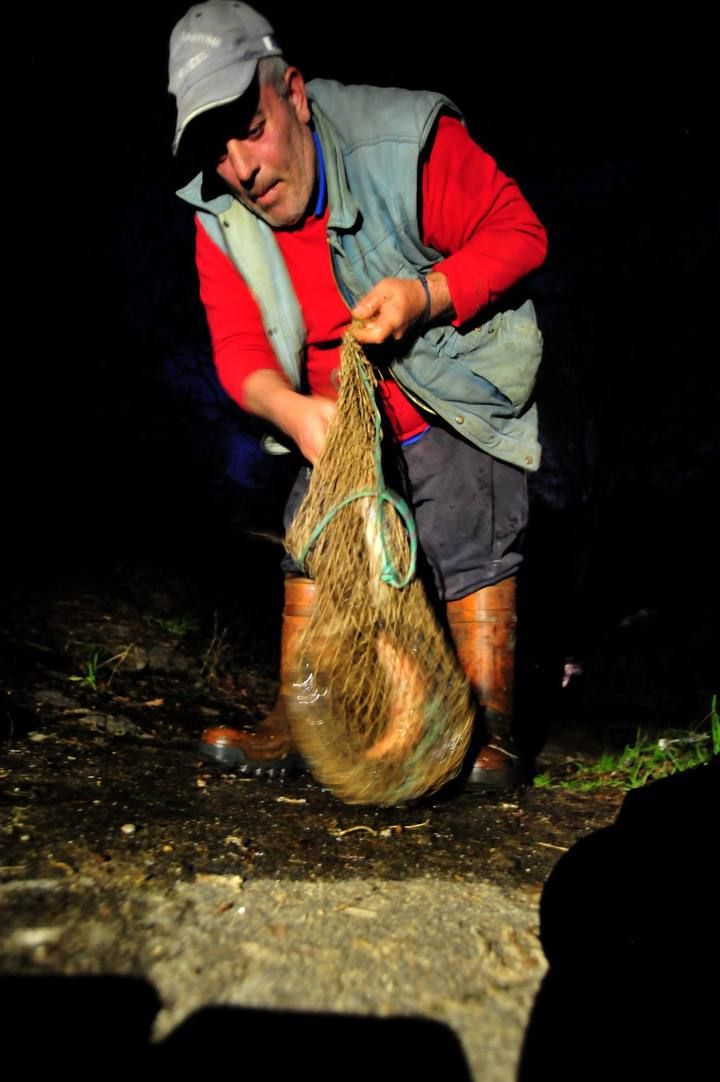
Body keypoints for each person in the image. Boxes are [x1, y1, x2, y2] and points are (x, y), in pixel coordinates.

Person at [168, 0, 548, 790]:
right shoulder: (217, 213)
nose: (241, 169)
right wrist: (292, 411)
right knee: (310, 536)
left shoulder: (402, 142)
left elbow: (520, 232)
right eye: (216, 148)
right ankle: (302, 717)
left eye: (250, 126)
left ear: (294, 95)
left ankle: (489, 726)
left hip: (450, 396)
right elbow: (239, 350)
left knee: (467, 537)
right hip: (335, 418)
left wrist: (424, 295)